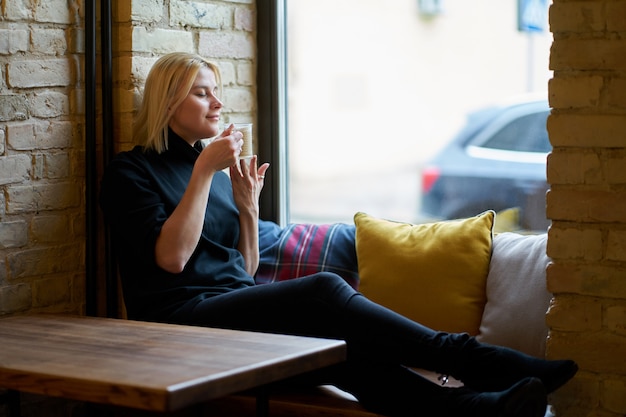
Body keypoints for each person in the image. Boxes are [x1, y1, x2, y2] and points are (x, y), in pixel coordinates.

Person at [99, 52, 577, 417]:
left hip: (226, 312)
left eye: (216, 91)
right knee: (325, 290)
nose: (218, 102)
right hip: (176, 324)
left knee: (340, 354)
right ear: (168, 101)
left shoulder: (210, 172)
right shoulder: (132, 172)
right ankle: (474, 359)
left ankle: (473, 408)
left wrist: (247, 210)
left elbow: (239, 272)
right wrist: (205, 172)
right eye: (203, 92)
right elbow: (172, 261)